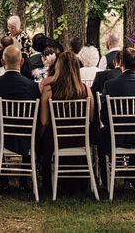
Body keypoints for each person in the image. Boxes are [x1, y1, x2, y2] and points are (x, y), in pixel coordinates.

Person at [39, 50, 94, 195]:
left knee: (42, 136)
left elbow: (44, 121)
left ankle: (46, 181)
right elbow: (90, 118)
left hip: (56, 140)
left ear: (58, 67)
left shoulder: (49, 90)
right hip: (79, 138)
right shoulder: (86, 90)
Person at [0, 45, 40, 170]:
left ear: (3, 62)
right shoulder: (33, 87)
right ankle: (24, 179)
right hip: (27, 135)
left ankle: (2, 178)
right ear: (22, 61)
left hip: (0, 136)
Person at [99, 47, 135, 180]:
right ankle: (130, 173)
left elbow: (104, 117)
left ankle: (107, 179)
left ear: (121, 63)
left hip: (116, 138)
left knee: (101, 134)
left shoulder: (110, 85)